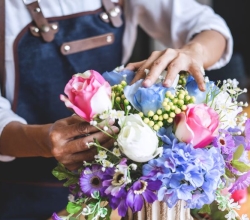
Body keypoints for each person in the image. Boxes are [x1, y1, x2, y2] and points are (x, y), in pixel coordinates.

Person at [0, 0, 232, 219]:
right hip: (19, 192)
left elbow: (211, 29)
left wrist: (194, 52)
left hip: (113, 195)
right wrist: (42, 140)